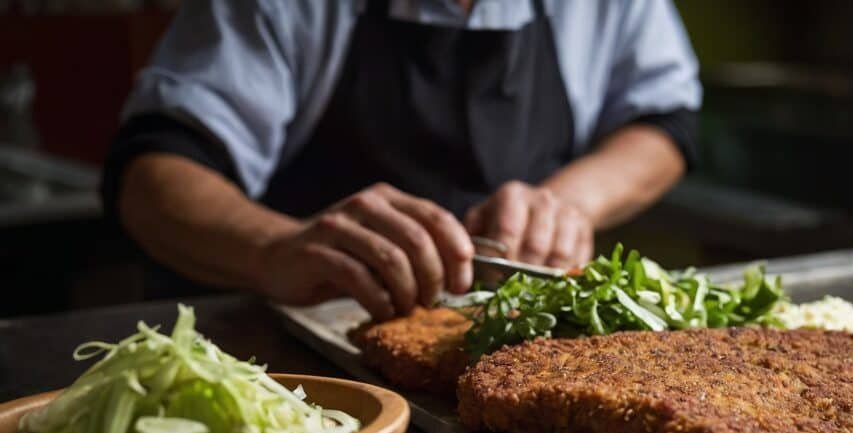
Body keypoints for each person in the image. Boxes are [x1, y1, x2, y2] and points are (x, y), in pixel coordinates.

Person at [102, 0, 701, 320]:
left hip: (513, 336)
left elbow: (663, 121)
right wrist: (273, 249)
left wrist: (569, 204)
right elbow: (154, 172)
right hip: (305, 357)